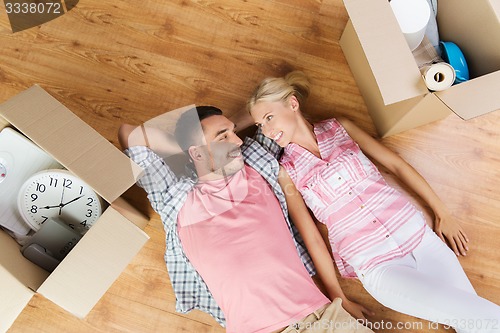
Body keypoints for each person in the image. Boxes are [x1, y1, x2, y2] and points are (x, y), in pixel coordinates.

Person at [247, 71, 500, 333]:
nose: (266, 130)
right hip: (379, 265)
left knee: (474, 321)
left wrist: (442, 213)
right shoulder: (286, 170)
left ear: (292, 103)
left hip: (421, 238)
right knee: (481, 316)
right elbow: (311, 235)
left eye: (268, 118)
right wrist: (339, 298)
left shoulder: (340, 127)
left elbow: (395, 165)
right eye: (259, 125)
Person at [118, 106, 374, 333]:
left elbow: (266, 105)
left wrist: (339, 297)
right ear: (195, 153)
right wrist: (188, 145)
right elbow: (130, 134)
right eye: (224, 136)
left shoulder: (258, 162)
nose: (238, 140)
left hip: (322, 320)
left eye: (233, 131)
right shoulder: (174, 198)